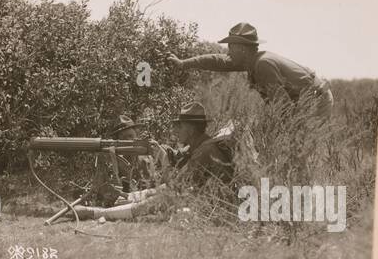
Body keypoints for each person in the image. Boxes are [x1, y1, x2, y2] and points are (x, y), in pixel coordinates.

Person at [61, 102, 233, 223]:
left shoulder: (204, 150)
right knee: (156, 193)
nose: (175, 130)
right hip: (207, 200)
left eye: (179, 126)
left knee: (162, 198)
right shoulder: (199, 146)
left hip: (217, 207)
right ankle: (122, 203)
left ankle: (95, 213)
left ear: (190, 128)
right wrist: (133, 196)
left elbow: (174, 187)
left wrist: (163, 159)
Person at [169, 22, 334, 121]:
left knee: (300, 142)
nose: (228, 52)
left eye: (231, 47)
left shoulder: (263, 65)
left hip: (316, 100)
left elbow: (283, 107)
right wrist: (183, 63)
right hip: (304, 100)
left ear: (242, 49)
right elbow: (216, 61)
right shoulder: (249, 59)